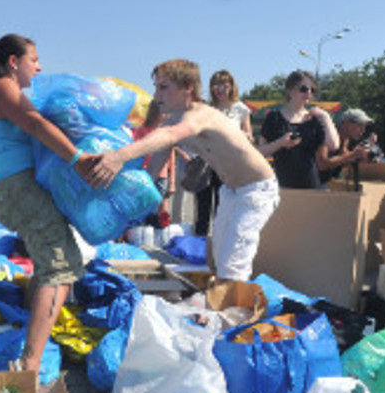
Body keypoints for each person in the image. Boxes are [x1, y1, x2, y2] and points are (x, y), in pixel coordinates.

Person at [90, 58, 279, 282]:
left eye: (164, 87)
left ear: (188, 87)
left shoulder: (199, 115)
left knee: (233, 263)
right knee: (218, 258)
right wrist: (116, 207)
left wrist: (119, 157)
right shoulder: (172, 124)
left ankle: (233, 314)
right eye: (156, 87)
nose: (157, 95)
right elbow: (150, 173)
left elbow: (171, 135)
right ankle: (221, 306)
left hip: (256, 190)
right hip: (230, 191)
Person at [0, 34, 97, 376]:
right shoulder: (2, 88)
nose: (40, 66)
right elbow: (35, 124)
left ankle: (32, 348)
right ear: (14, 61)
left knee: (62, 262)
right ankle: (29, 364)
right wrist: (78, 158)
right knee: (58, 267)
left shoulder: (10, 93)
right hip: (18, 190)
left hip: (20, 189)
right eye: (34, 58)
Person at [258, 70, 339, 189]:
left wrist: (326, 117)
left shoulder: (314, 118)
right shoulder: (273, 118)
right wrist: (281, 143)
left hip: (311, 186)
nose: (309, 93)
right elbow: (260, 152)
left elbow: (334, 145)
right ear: (290, 90)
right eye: (304, 89)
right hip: (282, 186)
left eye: (312, 90)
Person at [195, 69, 253, 236]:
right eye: (215, 85)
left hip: (229, 165)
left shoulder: (241, 109)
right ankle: (200, 250)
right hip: (206, 163)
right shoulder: (206, 108)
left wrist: (241, 135)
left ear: (231, 86)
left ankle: (220, 248)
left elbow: (249, 137)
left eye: (223, 84)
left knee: (223, 210)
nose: (218, 88)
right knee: (203, 210)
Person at [316, 107, 374, 187]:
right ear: (346, 124)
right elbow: (322, 164)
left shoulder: (345, 140)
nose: (363, 130)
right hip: (310, 186)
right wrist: (353, 154)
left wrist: (361, 157)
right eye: (360, 125)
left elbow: (342, 159)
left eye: (364, 126)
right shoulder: (328, 135)